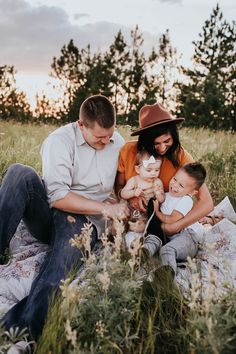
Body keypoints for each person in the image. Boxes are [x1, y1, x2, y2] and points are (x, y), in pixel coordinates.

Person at [0, 94, 130, 339]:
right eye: (100, 137)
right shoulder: (59, 141)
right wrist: (106, 208)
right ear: (81, 125)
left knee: (59, 266)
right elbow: (58, 197)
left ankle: (24, 328)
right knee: (19, 173)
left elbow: (119, 184)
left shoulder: (116, 140)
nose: (106, 142)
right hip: (52, 213)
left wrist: (120, 201)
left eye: (110, 136)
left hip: (86, 221)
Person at [115, 102, 214, 238]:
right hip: (136, 215)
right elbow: (119, 186)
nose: (162, 148)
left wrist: (175, 226)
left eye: (167, 141)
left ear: (174, 135)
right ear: (145, 140)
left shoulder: (181, 157)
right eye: (156, 144)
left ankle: (209, 220)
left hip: (167, 217)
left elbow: (207, 202)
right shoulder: (128, 151)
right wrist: (131, 199)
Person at [145, 162, 207, 274]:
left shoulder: (186, 200)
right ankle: (145, 253)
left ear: (192, 192)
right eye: (174, 179)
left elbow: (172, 219)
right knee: (161, 247)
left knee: (167, 250)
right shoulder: (168, 195)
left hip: (189, 238)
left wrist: (157, 211)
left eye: (181, 186)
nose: (174, 185)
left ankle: (166, 278)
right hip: (173, 238)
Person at [120, 151, 165, 249]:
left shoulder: (157, 182)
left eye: (157, 170)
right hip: (135, 216)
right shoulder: (134, 180)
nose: (153, 173)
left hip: (149, 217)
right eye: (149, 170)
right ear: (138, 169)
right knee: (131, 232)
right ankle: (133, 244)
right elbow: (123, 193)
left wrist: (159, 194)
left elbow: (162, 200)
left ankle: (148, 245)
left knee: (151, 230)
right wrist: (133, 193)